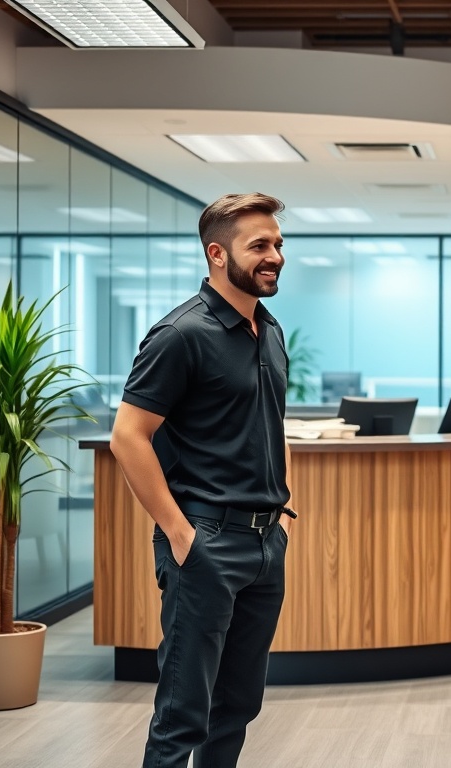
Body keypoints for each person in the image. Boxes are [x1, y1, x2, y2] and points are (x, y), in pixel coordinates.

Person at [110, 192, 297, 768]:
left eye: (278, 244)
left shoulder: (268, 330)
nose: (275, 256)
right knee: (183, 713)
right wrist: (181, 533)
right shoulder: (181, 334)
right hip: (206, 542)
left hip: (266, 545)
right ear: (218, 254)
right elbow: (128, 436)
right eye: (259, 245)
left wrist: (283, 504)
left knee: (237, 706)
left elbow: (269, 421)